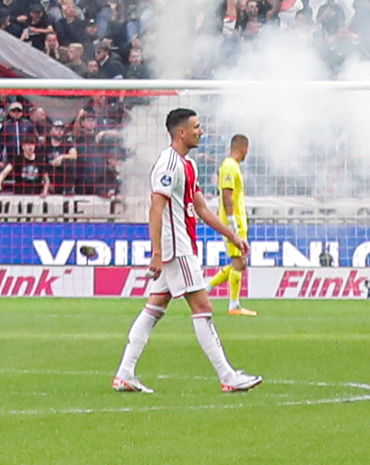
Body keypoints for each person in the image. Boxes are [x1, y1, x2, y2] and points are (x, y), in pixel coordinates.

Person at [111, 108, 262, 395]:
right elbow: (156, 207)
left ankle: (124, 374)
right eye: (196, 127)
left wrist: (232, 235)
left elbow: (202, 208)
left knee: (154, 307)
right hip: (176, 248)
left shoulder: (187, 165)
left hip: (179, 246)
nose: (201, 132)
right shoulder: (169, 164)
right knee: (203, 308)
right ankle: (228, 376)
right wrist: (157, 252)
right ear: (181, 132)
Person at [205, 133, 257, 316]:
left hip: (238, 220)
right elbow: (227, 196)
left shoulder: (232, 166)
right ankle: (233, 305)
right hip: (233, 221)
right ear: (244, 150)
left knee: (239, 262)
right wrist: (232, 222)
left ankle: (206, 288)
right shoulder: (229, 166)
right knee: (239, 262)